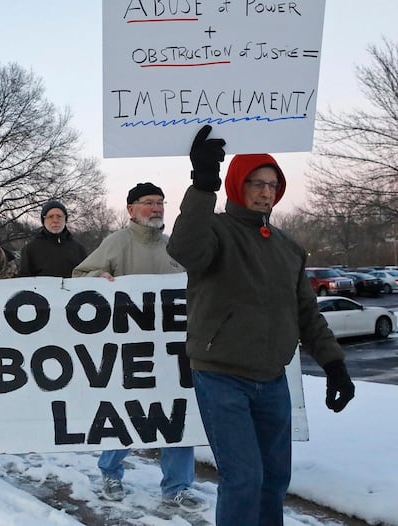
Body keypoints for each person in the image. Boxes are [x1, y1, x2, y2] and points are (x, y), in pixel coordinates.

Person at [166, 125, 356, 526]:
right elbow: (184, 249)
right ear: (238, 184)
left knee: (273, 479)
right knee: (244, 478)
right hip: (221, 377)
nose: (266, 191)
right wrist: (202, 184)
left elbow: (307, 312)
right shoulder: (216, 230)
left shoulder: (288, 248)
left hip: (272, 381)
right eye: (256, 182)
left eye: (273, 184)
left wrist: (334, 364)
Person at [72, 182, 205, 513]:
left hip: (172, 353)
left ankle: (177, 486)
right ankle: (111, 472)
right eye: (149, 203)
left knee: (177, 417)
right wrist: (99, 277)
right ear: (131, 209)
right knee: (129, 415)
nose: (157, 208)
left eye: (161, 202)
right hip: (129, 352)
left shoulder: (174, 247)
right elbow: (79, 276)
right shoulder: (116, 243)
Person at [18, 200, 87, 278]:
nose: (55, 220)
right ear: (43, 220)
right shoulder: (30, 249)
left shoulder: (78, 249)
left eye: (59, 216)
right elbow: (23, 280)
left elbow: (86, 276)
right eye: (50, 217)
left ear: (65, 219)